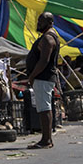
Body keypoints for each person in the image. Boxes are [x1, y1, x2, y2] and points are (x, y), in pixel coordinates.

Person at [25, 12, 59, 149]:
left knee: (45, 109)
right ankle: (46, 139)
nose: (38, 24)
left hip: (43, 78)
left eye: (42, 21)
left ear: (50, 23)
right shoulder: (47, 37)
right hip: (43, 78)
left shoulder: (48, 39)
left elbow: (44, 60)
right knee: (44, 108)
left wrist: (32, 75)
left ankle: (46, 140)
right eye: (38, 21)